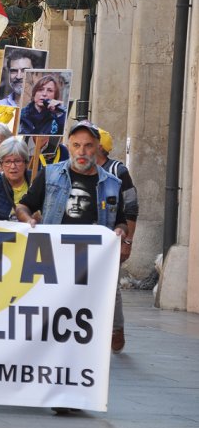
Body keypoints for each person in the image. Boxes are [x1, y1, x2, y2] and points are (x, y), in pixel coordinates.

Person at [15, 122, 128, 400]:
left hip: (90, 265)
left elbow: (122, 220)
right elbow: (25, 204)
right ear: (69, 145)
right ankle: (41, 373)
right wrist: (27, 219)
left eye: (88, 145)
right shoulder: (50, 173)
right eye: (76, 145)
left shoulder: (112, 183)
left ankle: (75, 381)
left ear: (97, 148)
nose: (82, 151)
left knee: (82, 323)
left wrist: (121, 233)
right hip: (51, 259)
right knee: (48, 317)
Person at [96, 128, 139, 353]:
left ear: (99, 147)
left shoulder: (117, 171)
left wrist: (127, 241)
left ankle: (116, 329)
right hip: (83, 240)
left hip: (110, 239)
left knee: (110, 286)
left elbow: (130, 206)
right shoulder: (75, 169)